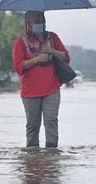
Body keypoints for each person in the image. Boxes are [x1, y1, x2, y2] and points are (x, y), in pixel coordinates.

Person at [12, 11, 71, 148]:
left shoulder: (52, 37)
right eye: (35, 22)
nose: (39, 24)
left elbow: (66, 57)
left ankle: (51, 157)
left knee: (51, 122)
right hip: (30, 92)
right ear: (28, 24)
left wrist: (52, 51)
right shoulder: (20, 42)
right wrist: (37, 59)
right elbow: (18, 66)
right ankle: (33, 160)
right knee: (33, 126)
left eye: (41, 21)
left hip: (52, 89)